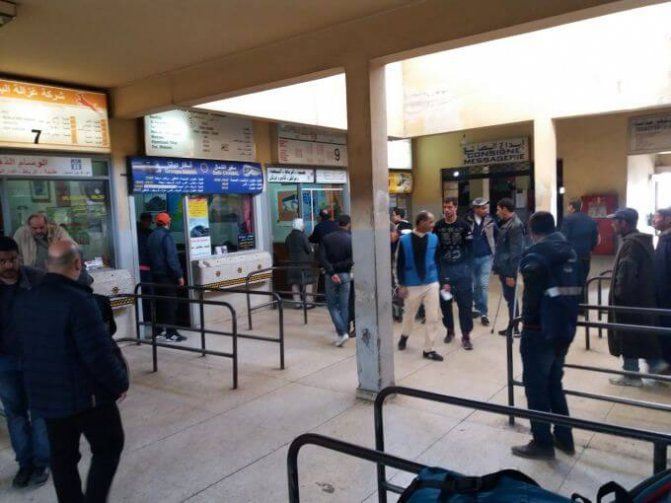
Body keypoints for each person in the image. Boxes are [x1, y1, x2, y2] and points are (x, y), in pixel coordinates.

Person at [13, 241, 129, 502]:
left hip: (47, 398)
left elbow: (24, 348)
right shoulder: (79, 301)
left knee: (62, 458)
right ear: (78, 264)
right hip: (87, 398)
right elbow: (98, 355)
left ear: (46, 267)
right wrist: (120, 383)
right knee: (109, 447)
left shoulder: (26, 300)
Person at [510, 212, 581, 460]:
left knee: (536, 387)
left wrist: (526, 323)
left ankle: (542, 442)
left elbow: (530, 299)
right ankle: (564, 437)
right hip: (565, 327)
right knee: (554, 383)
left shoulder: (536, 255)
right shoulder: (570, 251)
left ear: (532, 230)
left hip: (539, 331)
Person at [0, 236, 50, 488]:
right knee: (15, 413)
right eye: (2, 261)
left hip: (36, 360)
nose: (8, 265)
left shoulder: (37, 280)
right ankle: (25, 463)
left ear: (19, 257)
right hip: (4, 362)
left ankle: (41, 463)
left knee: (40, 412)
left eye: (12, 259)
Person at [607, 208, 665, 386]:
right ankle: (655, 365)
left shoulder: (630, 244)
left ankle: (632, 376)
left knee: (628, 336)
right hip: (642, 299)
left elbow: (626, 274)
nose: (612, 224)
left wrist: (619, 295)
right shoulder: (641, 241)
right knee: (642, 334)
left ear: (624, 223)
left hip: (629, 302)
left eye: (615, 221)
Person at [395, 211, 444, 361]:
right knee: (409, 315)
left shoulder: (434, 238)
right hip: (411, 284)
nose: (433, 225)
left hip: (431, 282)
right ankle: (404, 335)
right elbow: (398, 264)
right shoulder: (403, 240)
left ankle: (429, 349)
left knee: (433, 317)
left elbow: (438, 260)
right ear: (421, 222)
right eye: (430, 222)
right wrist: (401, 285)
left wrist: (442, 281)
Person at [433, 197, 474, 350]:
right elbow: (435, 249)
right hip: (445, 274)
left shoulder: (464, 226)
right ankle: (450, 330)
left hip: (463, 273)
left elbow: (470, 249)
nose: (447, 210)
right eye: (445, 207)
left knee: (465, 305)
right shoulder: (438, 226)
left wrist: (469, 269)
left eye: (450, 207)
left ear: (456, 208)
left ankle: (466, 335)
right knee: (445, 304)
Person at [146, 212, 186, 342]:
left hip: (155, 276)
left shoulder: (151, 236)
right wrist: (179, 275)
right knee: (170, 305)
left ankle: (157, 332)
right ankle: (171, 333)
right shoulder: (166, 236)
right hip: (167, 277)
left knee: (159, 303)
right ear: (168, 222)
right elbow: (171, 259)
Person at [319, 214, 354, 347]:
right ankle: (343, 332)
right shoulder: (351, 239)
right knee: (344, 306)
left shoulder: (327, 238)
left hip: (330, 275)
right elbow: (351, 259)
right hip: (345, 274)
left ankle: (341, 333)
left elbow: (322, 258)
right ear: (348, 224)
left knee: (332, 305)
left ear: (337, 223)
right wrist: (340, 268)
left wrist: (332, 271)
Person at [493, 198, 525, 336]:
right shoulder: (505, 223)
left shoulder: (515, 225)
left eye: (498, 209)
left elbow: (516, 252)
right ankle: (513, 325)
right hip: (503, 266)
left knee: (511, 298)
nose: (497, 212)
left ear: (505, 209)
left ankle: (515, 328)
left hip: (508, 268)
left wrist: (512, 274)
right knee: (509, 298)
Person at [560, 198, 599, 304]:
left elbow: (564, 238)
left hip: (571, 256)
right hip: (585, 255)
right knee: (583, 281)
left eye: (568, 206)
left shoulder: (568, 219)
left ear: (572, 207)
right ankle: (583, 306)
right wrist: (590, 249)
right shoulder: (590, 220)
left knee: (571, 281)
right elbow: (595, 238)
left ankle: (572, 305)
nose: (567, 208)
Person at [466, 197, 497, 327]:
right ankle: (476, 306)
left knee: (483, 285)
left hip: (486, 257)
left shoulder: (491, 221)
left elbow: (497, 236)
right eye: (482, 208)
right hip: (470, 258)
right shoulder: (466, 221)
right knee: (472, 285)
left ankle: (484, 313)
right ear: (475, 209)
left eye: (486, 207)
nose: (485, 210)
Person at [653, 207, 671, 366]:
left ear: (668, 219)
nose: (654, 220)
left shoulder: (668, 241)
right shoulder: (663, 238)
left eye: (657, 217)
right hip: (662, 293)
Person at [285, 218, 316, 308]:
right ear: (301, 226)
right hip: (304, 263)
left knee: (294, 283)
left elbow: (286, 249)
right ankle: (308, 303)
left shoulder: (288, 237)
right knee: (308, 283)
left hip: (292, 264)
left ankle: (297, 303)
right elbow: (308, 249)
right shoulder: (303, 236)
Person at [136, 212, 154, 333]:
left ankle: (148, 318)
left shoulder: (149, 233)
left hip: (145, 269)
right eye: (147, 221)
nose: (148, 224)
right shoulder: (142, 234)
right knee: (147, 296)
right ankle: (146, 318)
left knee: (147, 296)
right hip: (143, 270)